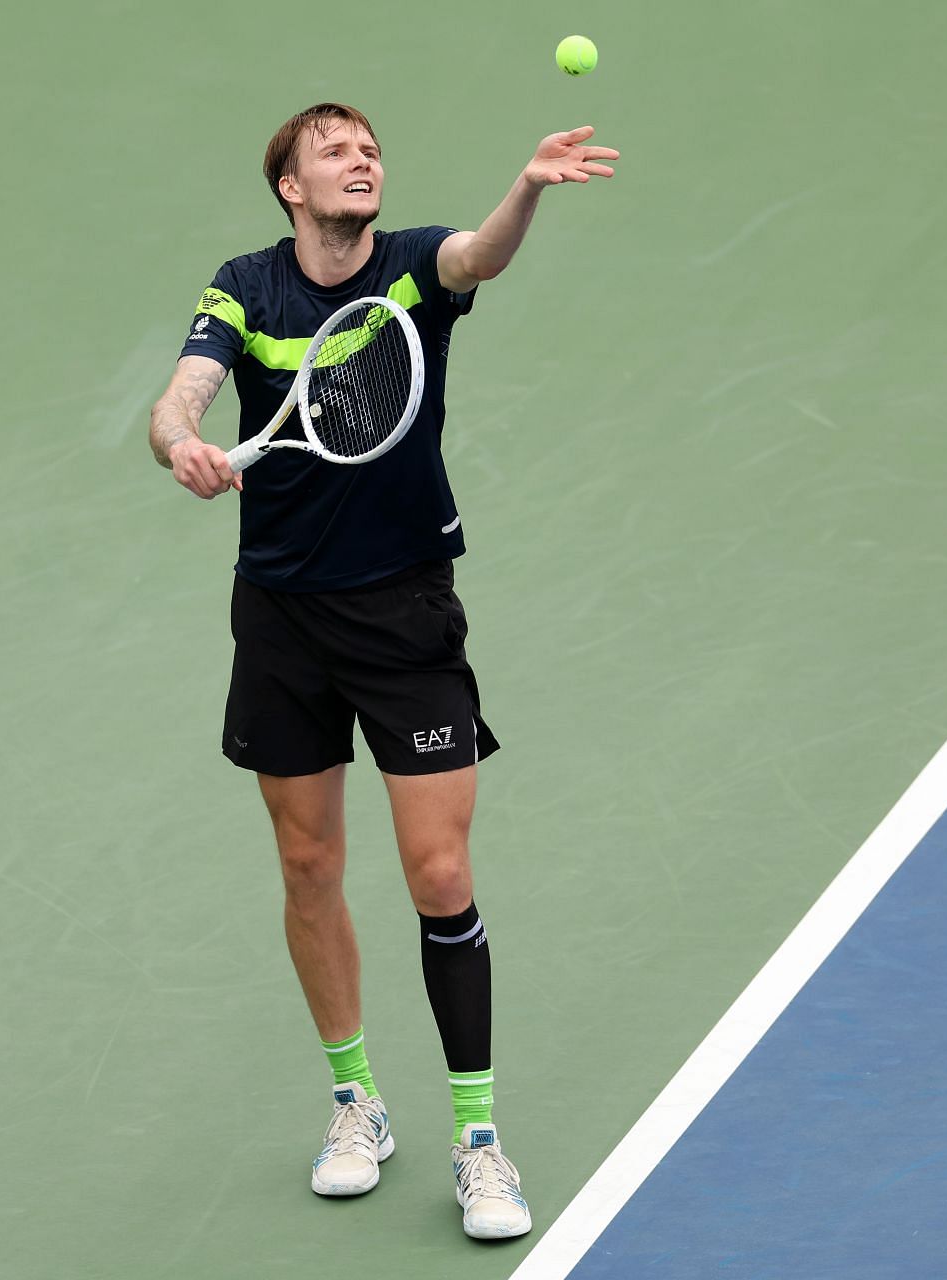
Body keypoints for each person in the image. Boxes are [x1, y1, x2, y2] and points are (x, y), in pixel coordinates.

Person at [148, 102, 617, 1241]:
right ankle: (357, 1101)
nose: (362, 159)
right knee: (309, 863)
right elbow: (182, 392)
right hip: (281, 621)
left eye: (369, 148)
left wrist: (529, 191)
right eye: (334, 150)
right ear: (291, 189)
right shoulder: (244, 287)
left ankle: (478, 1135)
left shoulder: (412, 270)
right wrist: (184, 443)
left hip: (405, 614)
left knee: (439, 870)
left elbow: (479, 256)